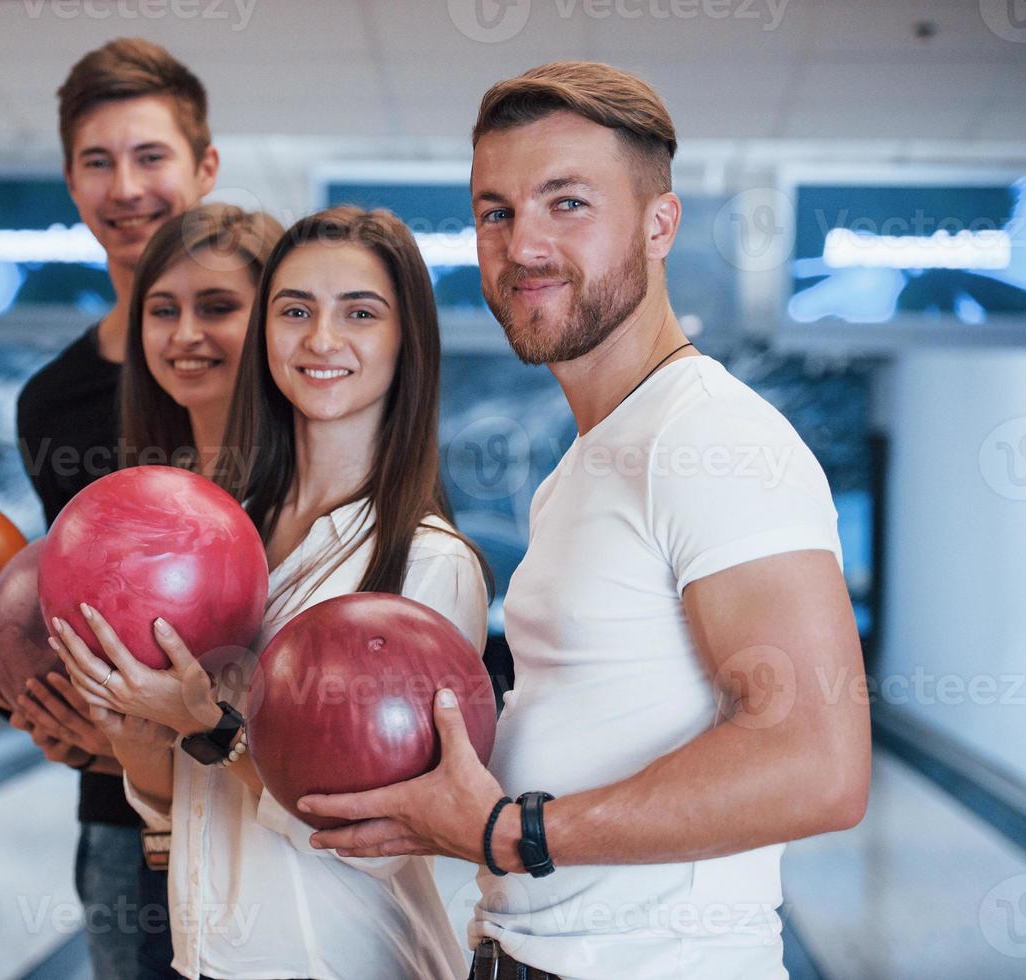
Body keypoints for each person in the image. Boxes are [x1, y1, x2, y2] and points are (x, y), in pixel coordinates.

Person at [298, 62, 872, 980]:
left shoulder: (713, 439)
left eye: (567, 204)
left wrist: (507, 832)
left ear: (658, 224)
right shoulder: (585, 464)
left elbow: (816, 761)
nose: (522, 244)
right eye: (495, 211)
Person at [51, 207, 492, 980]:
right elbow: (174, 801)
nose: (321, 339)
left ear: (405, 343)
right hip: (208, 962)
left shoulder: (427, 564)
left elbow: (380, 835)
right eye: (295, 310)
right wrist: (138, 730)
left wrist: (209, 725)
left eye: (359, 312)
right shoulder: (220, 528)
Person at [0, 37, 219, 980]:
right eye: (98, 163)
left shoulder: (274, 363)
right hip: (118, 818)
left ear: (205, 168)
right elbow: (65, 626)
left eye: (151, 157)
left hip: (257, 799)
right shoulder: (54, 401)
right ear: (72, 185)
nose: (126, 187)